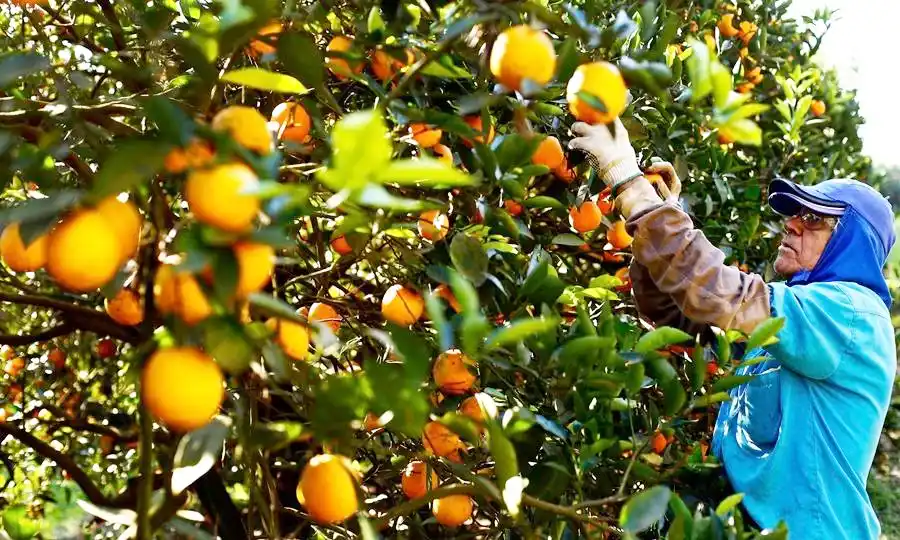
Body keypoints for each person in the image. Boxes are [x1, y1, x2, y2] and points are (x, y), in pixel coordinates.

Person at [569, 119, 896, 539]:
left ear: (851, 242)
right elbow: (679, 312)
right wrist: (663, 213)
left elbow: (716, 291)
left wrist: (629, 181)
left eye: (814, 219)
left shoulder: (848, 314)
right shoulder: (798, 319)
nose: (791, 224)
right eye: (794, 214)